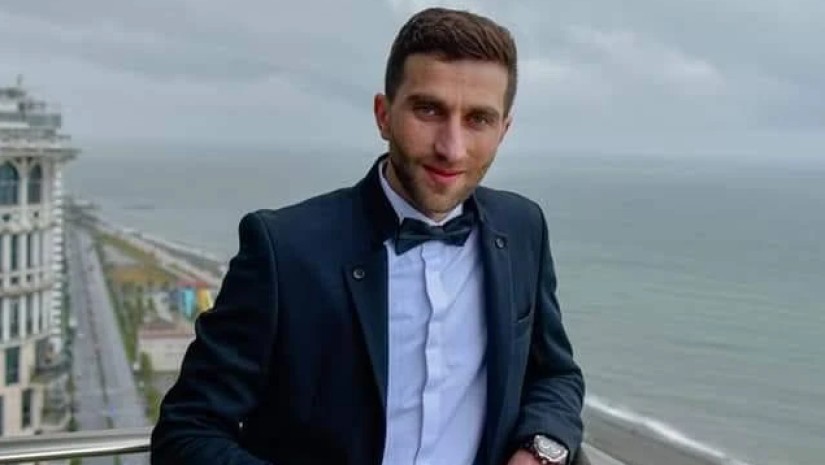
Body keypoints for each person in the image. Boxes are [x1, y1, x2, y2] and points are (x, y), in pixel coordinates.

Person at [151, 7, 585, 465]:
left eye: (478, 119)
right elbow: (187, 432)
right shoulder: (283, 250)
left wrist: (540, 451)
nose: (452, 148)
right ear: (383, 115)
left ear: (503, 130)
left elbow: (555, 375)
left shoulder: (523, 227)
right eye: (429, 110)